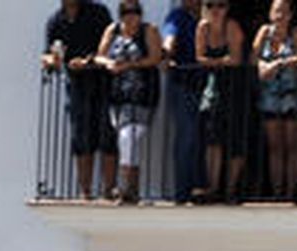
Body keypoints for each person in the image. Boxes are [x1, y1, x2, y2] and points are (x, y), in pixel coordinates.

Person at [43, 0, 116, 200]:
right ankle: (85, 192)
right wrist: (51, 60)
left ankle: (108, 190)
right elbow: (49, 53)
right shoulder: (55, 21)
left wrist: (87, 61)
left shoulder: (99, 13)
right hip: (76, 86)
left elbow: (109, 45)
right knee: (81, 137)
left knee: (107, 134)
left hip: (103, 83)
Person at [95, 1, 162, 205]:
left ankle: (127, 187)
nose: (130, 16)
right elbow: (100, 56)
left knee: (129, 138)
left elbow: (155, 57)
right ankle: (128, 190)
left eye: (134, 12)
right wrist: (109, 64)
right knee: (125, 140)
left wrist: (129, 65)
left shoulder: (148, 31)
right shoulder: (112, 30)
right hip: (116, 96)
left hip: (141, 95)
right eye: (125, 12)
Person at [253, 0, 297, 201]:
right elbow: (254, 57)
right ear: (270, 13)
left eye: (284, 11)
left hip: (293, 95)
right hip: (270, 97)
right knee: (275, 147)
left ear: (290, 15)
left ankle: (291, 192)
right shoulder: (264, 32)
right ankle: (278, 192)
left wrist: (277, 63)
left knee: (293, 145)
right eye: (277, 11)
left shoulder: (296, 33)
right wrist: (261, 65)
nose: (280, 15)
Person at [196, 0, 247, 203]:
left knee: (235, 140)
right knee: (213, 140)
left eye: (221, 5)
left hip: (234, 88)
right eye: (210, 5)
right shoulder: (202, 27)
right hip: (213, 90)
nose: (216, 10)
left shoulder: (232, 26)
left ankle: (230, 189)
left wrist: (214, 63)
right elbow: (199, 57)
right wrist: (221, 62)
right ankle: (213, 187)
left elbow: (236, 59)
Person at [161, 0, 204, 203]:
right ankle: (183, 192)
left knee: (205, 138)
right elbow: (170, 38)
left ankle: (201, 188)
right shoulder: (177, 16)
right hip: (183, 85)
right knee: (186, 137)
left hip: (207, 86)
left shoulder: (210, 14)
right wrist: (166, 53)